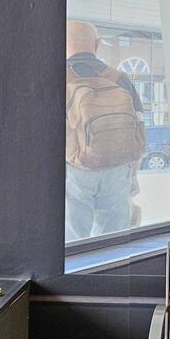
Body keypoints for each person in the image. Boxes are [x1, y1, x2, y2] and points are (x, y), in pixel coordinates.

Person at [64, 20, 146, 241]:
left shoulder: (58, 77)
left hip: (75, 168)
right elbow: (138, 123)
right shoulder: (119, 78)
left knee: (72, 239)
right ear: (97, 44)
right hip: (117, 167)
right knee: (112, 240)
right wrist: (133, 174)